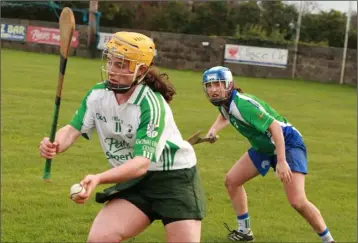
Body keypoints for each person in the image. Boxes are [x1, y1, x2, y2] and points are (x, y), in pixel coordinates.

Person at [39, 31, 206, 243]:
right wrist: (55, 144)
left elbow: (141, 164)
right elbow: (72, 129)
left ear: (141, 70)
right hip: (134, 181)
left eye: (120, 65)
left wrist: (99, 178)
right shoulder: (97, 95)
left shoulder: (150, 104)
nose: (111, 70)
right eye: (110, 62)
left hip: (174, 179)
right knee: (99, 239)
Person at [201, 66, 335, 243]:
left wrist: (281, 161)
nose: (213, 90)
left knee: (297, 201)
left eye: (218, 84)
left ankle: (328, 240)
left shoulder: (243, 105)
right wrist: (212, 131)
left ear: (229, 84)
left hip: (287, 144)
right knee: (232, 181)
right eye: (209, 86)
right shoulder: (225, 103)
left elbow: (275, 128)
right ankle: (244, 231)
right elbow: (225, 115)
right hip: (264, 147)